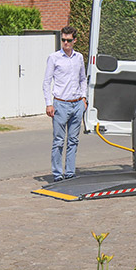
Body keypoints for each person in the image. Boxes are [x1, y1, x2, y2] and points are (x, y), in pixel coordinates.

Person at [42, 26, 88, 182]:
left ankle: (70, 172)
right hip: (60, 104)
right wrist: (49, 104)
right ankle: (57, 174)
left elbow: (83, 79)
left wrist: (84, 98)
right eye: (63, 40)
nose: (65, 43)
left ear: (75, 40)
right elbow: (46, 82)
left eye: (69, 40)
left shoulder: (79, 57)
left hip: (77, 104)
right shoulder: (54, 58)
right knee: (59, 141)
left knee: (73, 140)